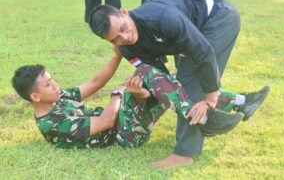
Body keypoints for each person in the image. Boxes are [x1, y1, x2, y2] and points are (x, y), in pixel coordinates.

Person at [88, 0, 271, 167]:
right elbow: (163, 81)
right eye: (115, 39)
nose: (125, 37)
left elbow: (204, 52)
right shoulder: (126, 48)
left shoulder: (162, 17)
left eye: (123, 28)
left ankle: (185, 154)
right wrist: (143, 95)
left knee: (191, 81)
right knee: (182, 84)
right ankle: (244, 102)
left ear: (124, 12)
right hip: (191, 31)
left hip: (218, 17)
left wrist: (211, 97)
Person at [11, 55, 244, 152]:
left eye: (53, 80)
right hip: (125, 136)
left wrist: (117, 54)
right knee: (148, 75)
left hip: (125, 120)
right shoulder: (51, 124)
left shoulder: (59, 97)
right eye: (49, 84)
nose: (56, 85)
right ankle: (209, 115)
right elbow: (106, 121)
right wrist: (118, 94)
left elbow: (95, 81)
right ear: (35, 97)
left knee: (170, 81)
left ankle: (239, 101)